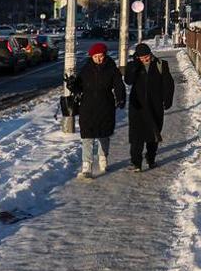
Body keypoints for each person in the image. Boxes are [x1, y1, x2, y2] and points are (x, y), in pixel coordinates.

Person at [67, 42, 124, 178]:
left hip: (105, 106)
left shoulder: (111, 68)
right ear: (91, 56)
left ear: (105, 55)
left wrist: (120, 98)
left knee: (104, 135)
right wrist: (71, 84)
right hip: (87, 107)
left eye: (101, 56)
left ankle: (103, 158)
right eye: (96, 56)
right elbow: (78, 88)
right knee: (87, 136)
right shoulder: (85, 69)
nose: (99, 59)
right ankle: (86, 166)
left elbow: (119, 85)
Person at [124, 42, 174, 172]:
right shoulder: (133, 65)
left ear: (150, 54)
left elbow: (168, 83)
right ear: (137, 56)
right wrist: (135, 67)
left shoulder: (160, 64)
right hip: (137, 106)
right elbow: (128, 81)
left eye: (147, 56)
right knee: (137, 136)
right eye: (142, 57)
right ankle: (136, 163)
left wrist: (168, 99)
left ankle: (151, 159)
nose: (145, 59)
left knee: (153, 134)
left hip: (155, 105)